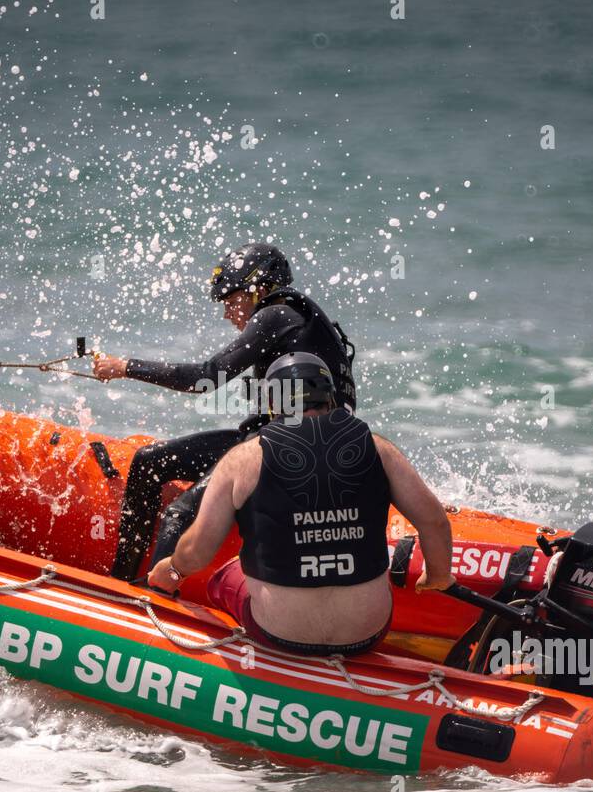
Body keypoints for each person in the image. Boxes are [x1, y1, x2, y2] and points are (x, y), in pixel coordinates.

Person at [146, 353, 453, 656]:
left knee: (224, 578)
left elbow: (199, 551)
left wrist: (171, 570)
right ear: (331, 398)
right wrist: (438, 575)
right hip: (367, 634)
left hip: (279, 635)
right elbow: (435, 522)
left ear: (271, 404)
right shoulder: (379, 449)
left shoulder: (244, 459)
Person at [93, 242, 359, 582]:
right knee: (149, 461)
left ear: (258, 288)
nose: (226, 313)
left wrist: (125, 366)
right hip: (268, 440)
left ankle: (152, 601)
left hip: (292, 451)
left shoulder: (277, 314)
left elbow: (205, 377)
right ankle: (120, 581)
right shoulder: (295, 319)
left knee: (179, 513)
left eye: (231, 300)